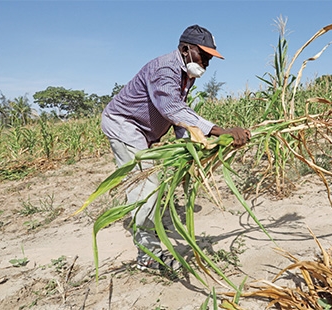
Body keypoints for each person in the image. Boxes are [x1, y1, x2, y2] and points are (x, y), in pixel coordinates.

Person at [101, 25, 251, 271]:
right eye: (203, 55)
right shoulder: (165, 69)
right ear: (185, 50)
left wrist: (198, 145)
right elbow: (173, 109)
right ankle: (147, 255)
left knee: (151, 182)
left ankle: (150, 225)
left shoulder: (186, 76)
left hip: (145, 131)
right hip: (125, 125)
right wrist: (221, 131)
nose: (207, 62)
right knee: (145, 184)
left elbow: (178, 120)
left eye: (210, 57)